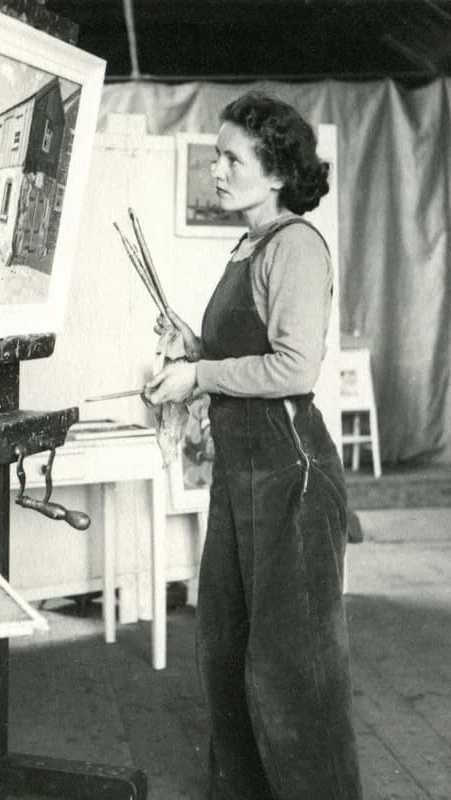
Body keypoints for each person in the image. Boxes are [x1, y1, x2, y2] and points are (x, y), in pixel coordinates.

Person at [144, 92, 363, 800]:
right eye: (216, 156)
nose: (217, 170)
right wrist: (194, 347)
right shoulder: (248, 246)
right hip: (241, 479)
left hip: (290, 478)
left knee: (295, 673)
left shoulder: (296, 245)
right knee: (226, 652)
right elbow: (247, 355)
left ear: (275, 172)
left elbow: (294, 370)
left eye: (231, 159)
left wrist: (199, 375)